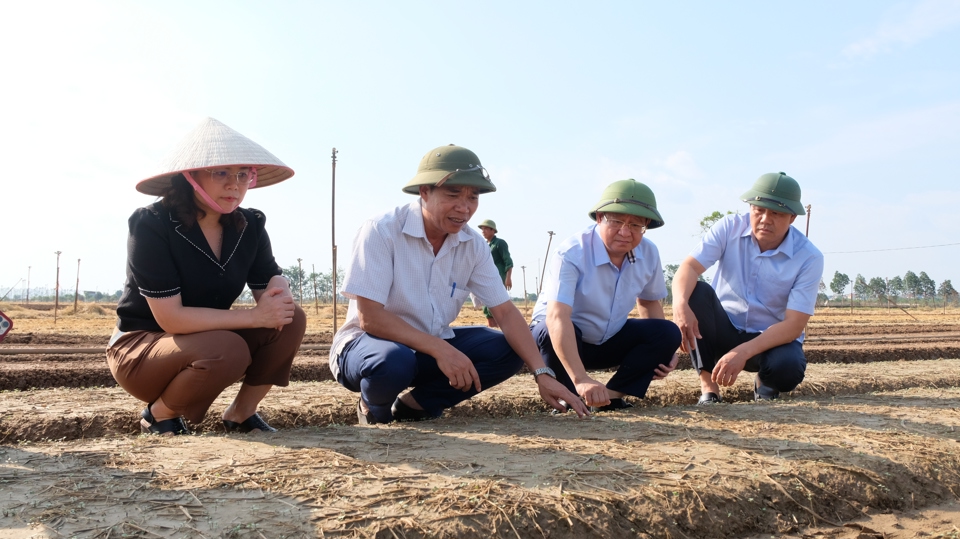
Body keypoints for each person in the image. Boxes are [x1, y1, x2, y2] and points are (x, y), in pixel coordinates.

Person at [330, 144, 589, 424]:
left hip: (426, 346)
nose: (464, 208)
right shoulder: (382, 230)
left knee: (508, 350)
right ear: (425, 192)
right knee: (394, 362)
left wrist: (542, 373)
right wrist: (441, 349)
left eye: (473, 197)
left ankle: (414, 406)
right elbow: (370, 318)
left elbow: (505, 311)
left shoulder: (473, 245)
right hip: (370, 346)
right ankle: (373, 408)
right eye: (453, 194)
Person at [107, 117, 306, 435]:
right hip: (143, 348)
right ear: (190, 176)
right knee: (227, 347)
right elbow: (171, 320)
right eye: (221, 173)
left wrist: (278, 290)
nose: (234, 184)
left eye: (243, 174)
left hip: (205, 340)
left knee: (291, 318)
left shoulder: (249, 225)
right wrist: (256, 316)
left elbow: (268, 276)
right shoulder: (152, 224)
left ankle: (242, 413)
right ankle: (158, 416)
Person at [530, 179, 682, 411]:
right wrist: (581, 379)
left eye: (635, 225)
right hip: (563, 342)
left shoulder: (649, 252)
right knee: (548, 330)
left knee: (668, 332)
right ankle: (571, 394)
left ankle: (609, 396)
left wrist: (665, 351)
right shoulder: (572, 253)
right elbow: (557, 318)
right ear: (600, 218)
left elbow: (649, 303)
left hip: (608, 339)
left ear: (646, 225)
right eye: (617, 221)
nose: (625, 232)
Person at [672, 172, 823, 404]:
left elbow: (794, 325)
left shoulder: (808, 257)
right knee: (697, 292)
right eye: (758, 210)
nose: (765, 219)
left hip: (769, 339)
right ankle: (709, 389)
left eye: (776, 213)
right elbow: (689, 268)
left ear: (792, 218)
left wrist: (742, 352)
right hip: (724, 330)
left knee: (788, 368)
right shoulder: (728, 228)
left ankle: (765, 384)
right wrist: (680, 305)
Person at [477, 219, 513, 328]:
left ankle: (499, 329)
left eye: (486, 229)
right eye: (482, 229)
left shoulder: (499, 243)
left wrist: (508, 278)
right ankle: (492, 327)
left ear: (493, 230)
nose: (483, 231)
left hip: (498, 276)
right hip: (486, 277)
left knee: (494, 303)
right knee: (486, 304)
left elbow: (508, 261)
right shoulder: (484, 244)